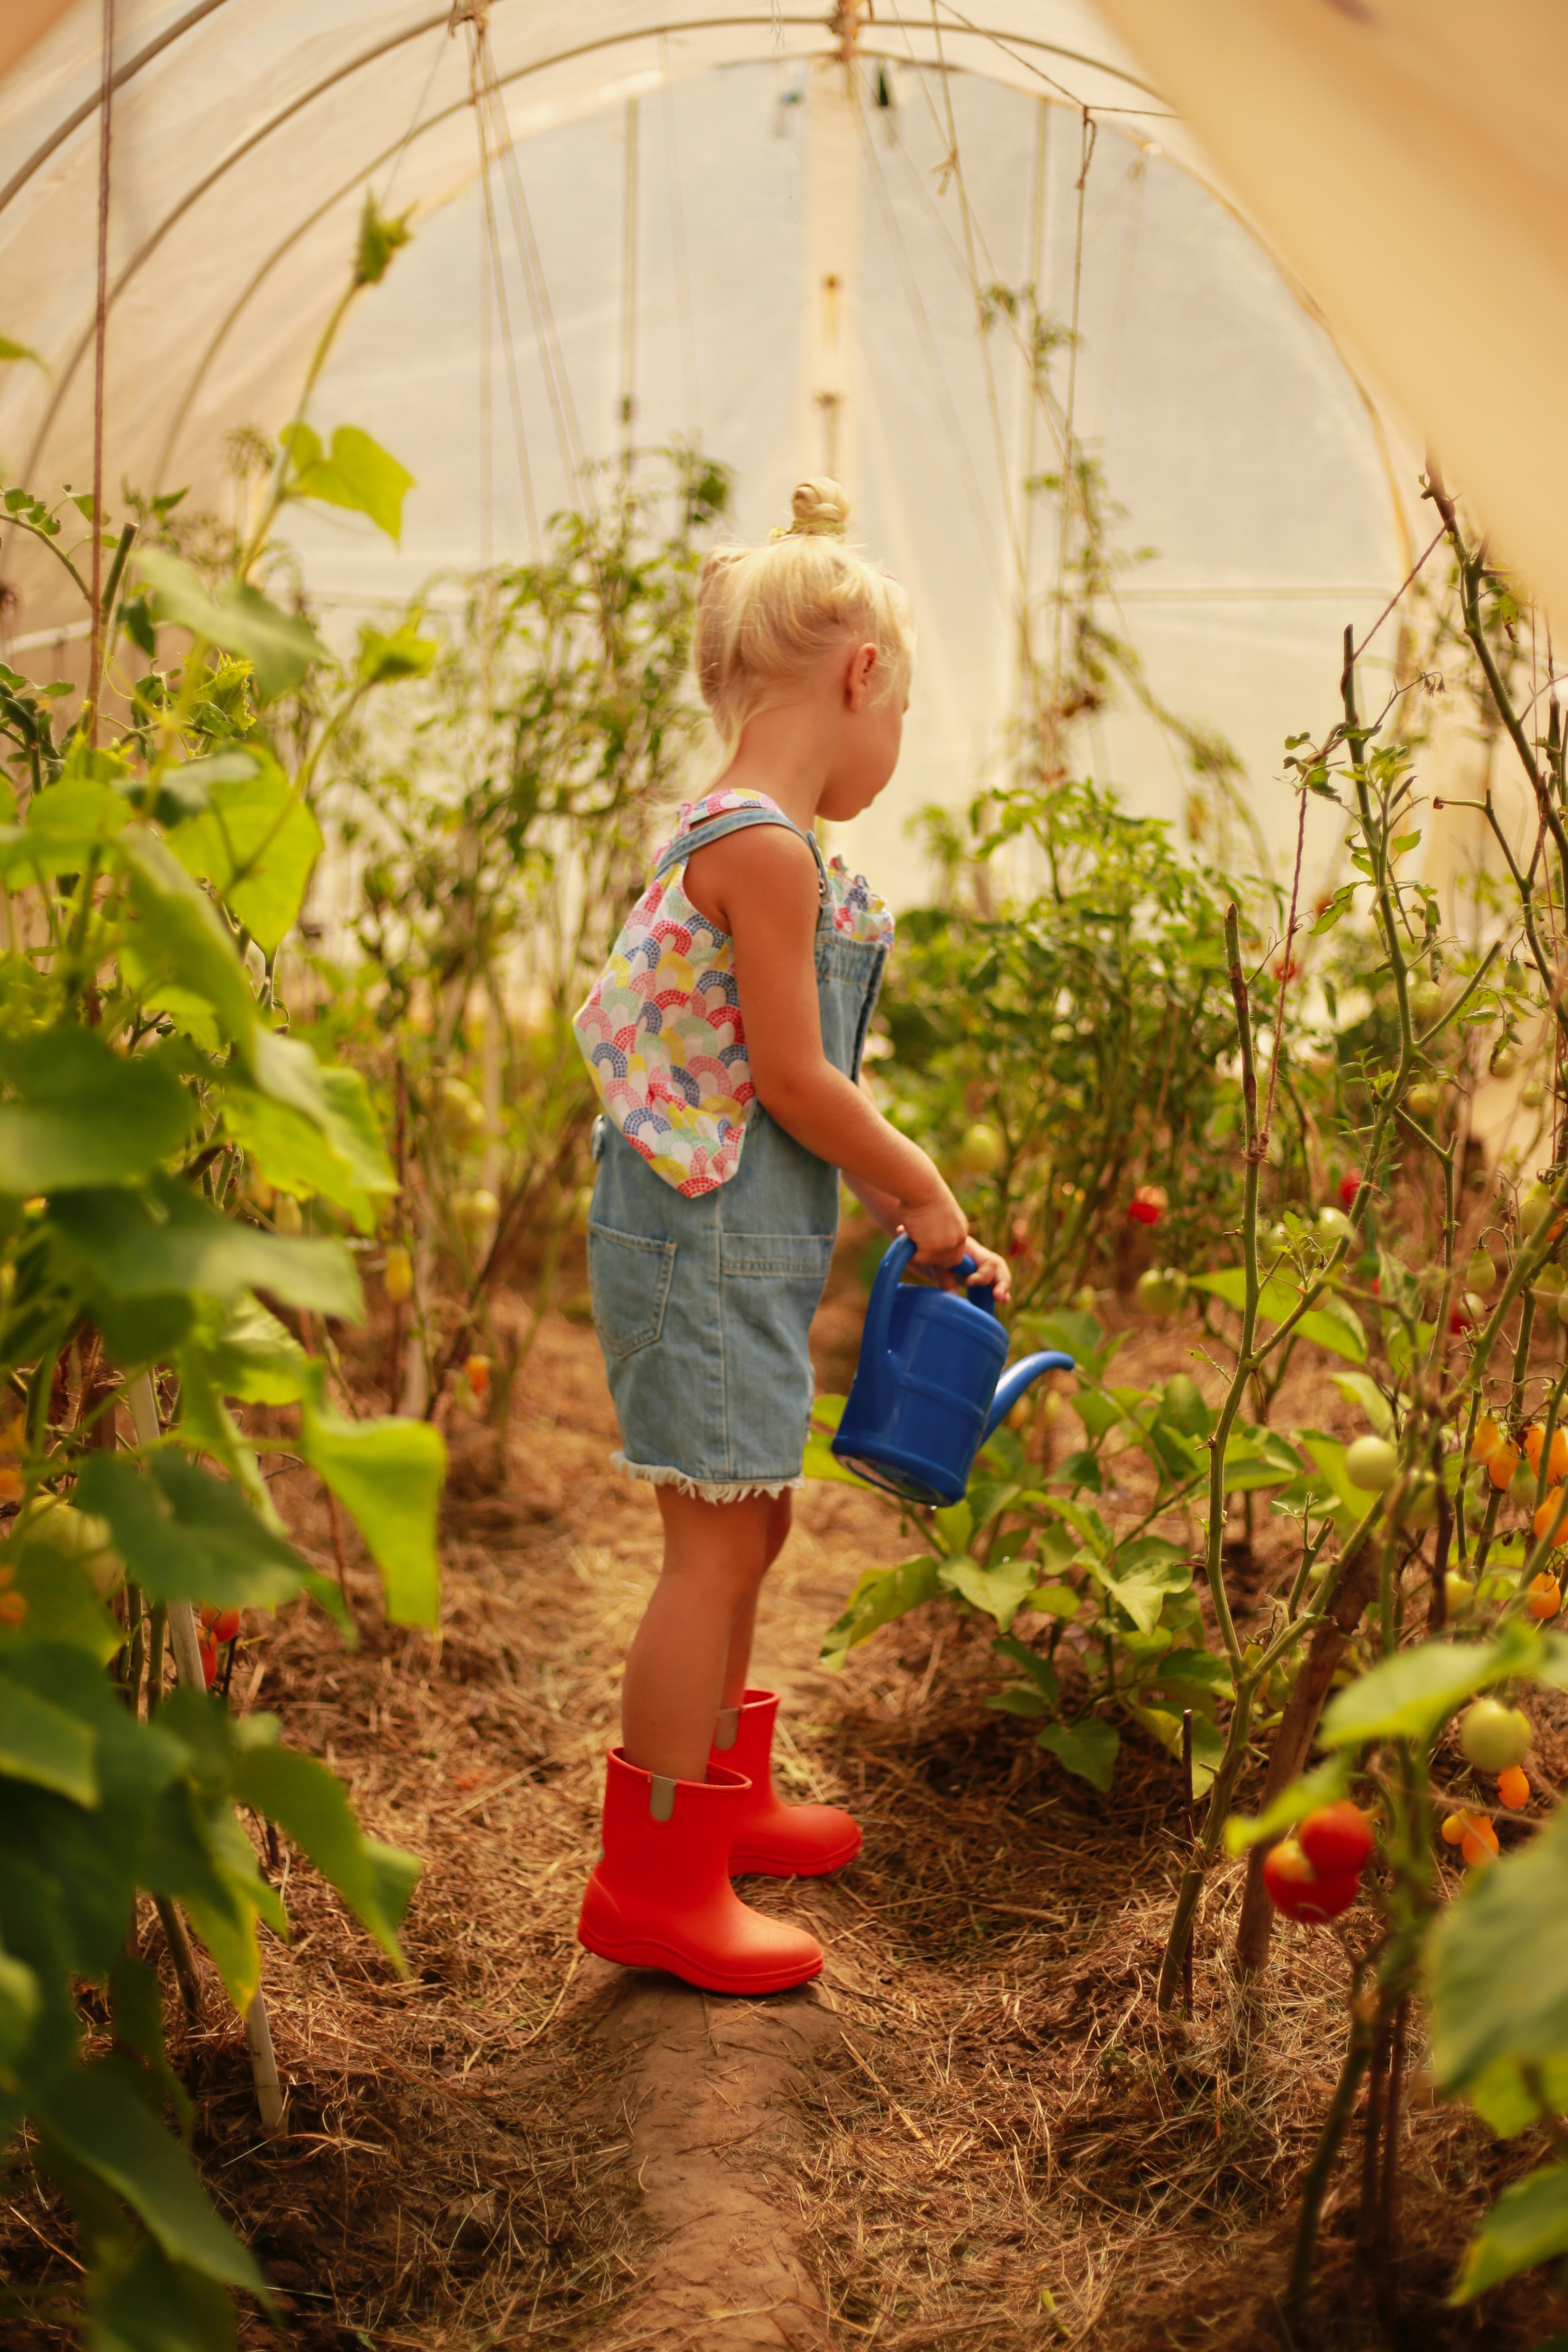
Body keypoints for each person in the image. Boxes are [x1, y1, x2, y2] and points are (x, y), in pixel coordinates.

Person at [571, 477, 1011, 1994]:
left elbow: (796, 1092)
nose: (897, 747)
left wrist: (891, 1198)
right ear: (860, 678)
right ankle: (650, 1879)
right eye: (905, 715)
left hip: (726, 1238)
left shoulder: (766, 846)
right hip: (698, 1250)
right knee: (709, 1548)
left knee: (748, 1522)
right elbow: (796, 1077)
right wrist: (924, 1188)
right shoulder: (762, 851)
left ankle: (720, 1794)